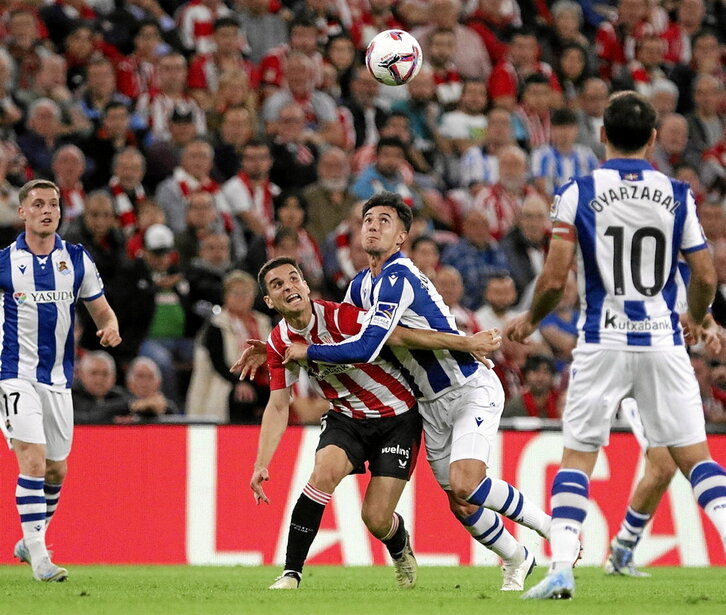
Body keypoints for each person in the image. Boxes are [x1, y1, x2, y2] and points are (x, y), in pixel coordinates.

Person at [506, 91, 726, 599]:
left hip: (601, 341)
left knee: (578, 457)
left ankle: (562, 568)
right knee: (697, 459)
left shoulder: (577, 191)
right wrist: (697, 316)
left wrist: (528, 320)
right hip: (663, 343)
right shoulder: (677, 193)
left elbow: (556, 277)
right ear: (653, 139)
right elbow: (706, 273)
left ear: (600, 135)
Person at [284, 192, 556, 591]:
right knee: (461, 503)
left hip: (468, 387)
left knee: (467, 483)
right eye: (368, 220)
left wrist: (306, 351)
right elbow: (359, 336)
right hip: (428, 405)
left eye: (384, 221)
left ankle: (553, 529)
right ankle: (518, 558)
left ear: (401, 237)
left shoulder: (399, 277)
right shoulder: (361, 286)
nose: (373, 227)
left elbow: (365, 346)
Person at [248, 256, 502, 590]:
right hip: (346, 417)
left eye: (294, 278)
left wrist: (465, 343)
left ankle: (399, 546)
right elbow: (279, 406)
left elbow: (398, 336)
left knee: (376, 518)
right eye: (277, 285)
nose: (289, 287)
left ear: (306, 285)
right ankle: (291, 574)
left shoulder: (341, 317)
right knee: (323, 473)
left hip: (397, 418)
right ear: (269, 301)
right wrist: (261, 462)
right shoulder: (279, 343)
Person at [1, 179, 121, 582]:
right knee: (32, 460)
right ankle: (39, 556)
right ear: (23, 212)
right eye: (38, 204)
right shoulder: (4, 263)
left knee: (56, 470)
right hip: (13, 376)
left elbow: (102, 311)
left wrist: (110, 327)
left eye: (53, 204)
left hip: (57, 381)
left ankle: (29, 540)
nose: (47, 210)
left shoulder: (76, 259)